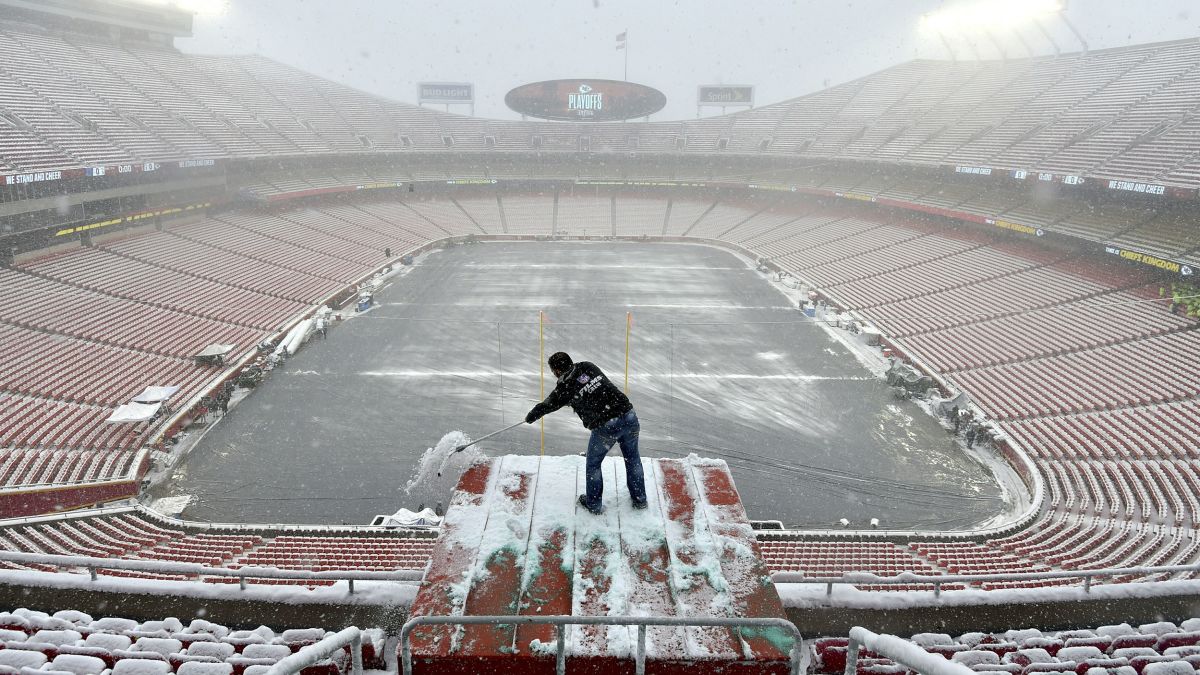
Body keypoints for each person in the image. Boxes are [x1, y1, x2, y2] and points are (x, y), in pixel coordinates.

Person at [525, 351, 648, 514]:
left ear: (557, 371)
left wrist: (532, 416)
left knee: (593, 465)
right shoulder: (587, 366)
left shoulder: (565, 389)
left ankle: (594, 505)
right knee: (633, 459)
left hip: (606, 426)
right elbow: (590, 386)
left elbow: (550, 404)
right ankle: (640, 500)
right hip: (628, 415)